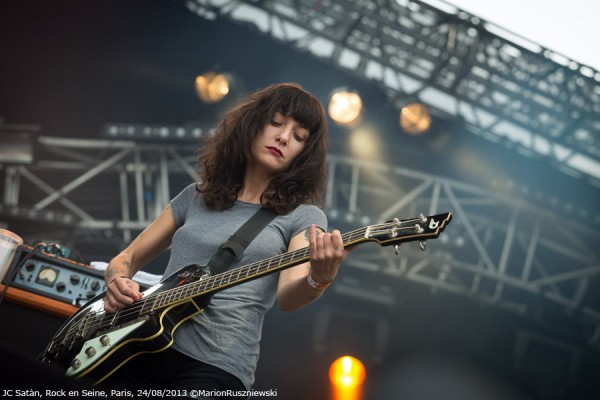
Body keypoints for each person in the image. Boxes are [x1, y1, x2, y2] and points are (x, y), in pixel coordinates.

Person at [101, 82, 350, 398]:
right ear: (252, 124)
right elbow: (125, 260)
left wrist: (321, 278)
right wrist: (116, 281)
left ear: (304, 154)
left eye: (299, 137)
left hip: (216, 366)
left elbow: (289, 297)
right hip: (141, 346)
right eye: (276, 122)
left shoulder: (304, 216)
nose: (284, 137)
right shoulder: (194, 197)